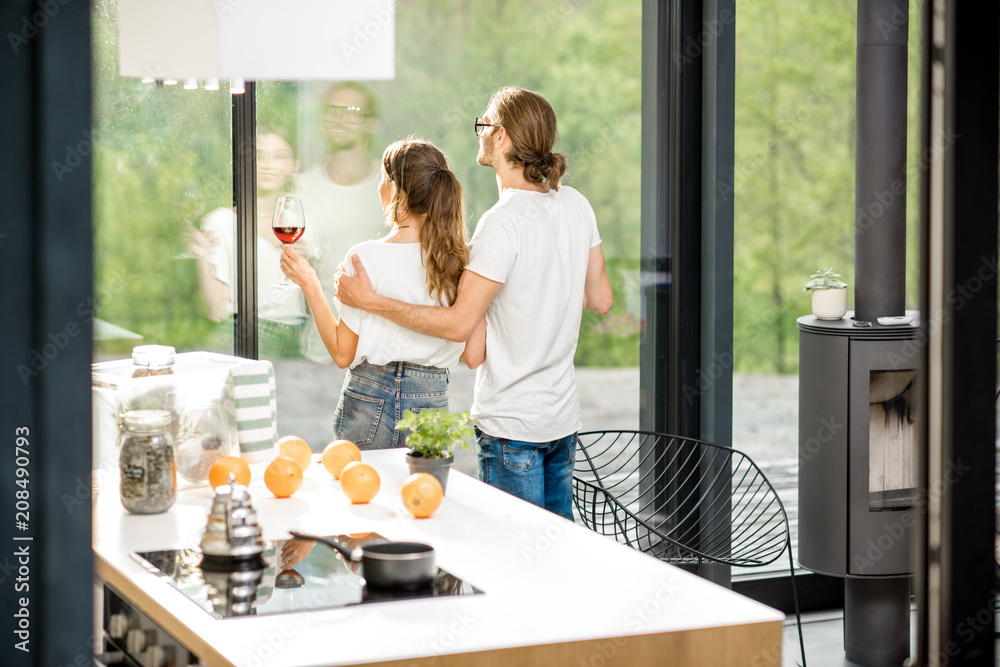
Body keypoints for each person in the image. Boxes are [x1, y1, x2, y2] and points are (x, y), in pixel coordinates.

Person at [335, 87, 614, 520]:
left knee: (512, 553)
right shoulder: (577, 205)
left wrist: (371, 301)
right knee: (557, 550)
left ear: (500, 137)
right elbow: (600, 298)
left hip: (512, 425)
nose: (479, 134)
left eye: (483, 125)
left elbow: (459, 328)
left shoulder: (502, 223)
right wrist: (544, 288)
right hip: (563, 419)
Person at [279, 138, 485, 449]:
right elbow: (472, 355)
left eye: (381, 178)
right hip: (431, 401)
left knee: (362, 493)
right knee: (422, 495)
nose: (378, 187)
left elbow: (341, 353)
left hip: (368, 397)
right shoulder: (461, 260)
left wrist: (309, 282)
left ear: (396, 191)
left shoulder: (363, 259)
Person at [187, 128, 311, 358]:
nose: (268, 165)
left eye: (278, 156)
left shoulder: (303, 222)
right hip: (244, 338)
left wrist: (308, 266)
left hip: (297, 342)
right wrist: (201, 257)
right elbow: (215, 311)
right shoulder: (221, 222)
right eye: (259, 155)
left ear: (294, 166)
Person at [296, 82, 388, 364]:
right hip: (320, 348)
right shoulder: (301, 187)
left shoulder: (392, 186)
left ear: (371, 124)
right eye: (332, 111)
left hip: (383, 352)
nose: (339, 119)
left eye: (351, 111)